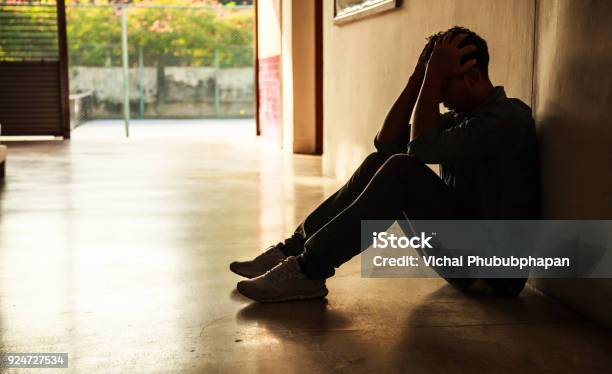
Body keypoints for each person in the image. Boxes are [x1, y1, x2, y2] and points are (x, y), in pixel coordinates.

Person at [230, 26, 540, 302]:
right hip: (467, 258)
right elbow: (387, 142)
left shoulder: (507, 118)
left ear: (472, 77)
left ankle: (309, 271)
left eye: (442, 86)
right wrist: (419, 76)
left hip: (497, 274)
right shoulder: (464, 118)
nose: (438, 98)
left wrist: (432, 77)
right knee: (382, 160)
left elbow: (419, 150)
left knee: (402, 169)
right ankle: (294, 250)